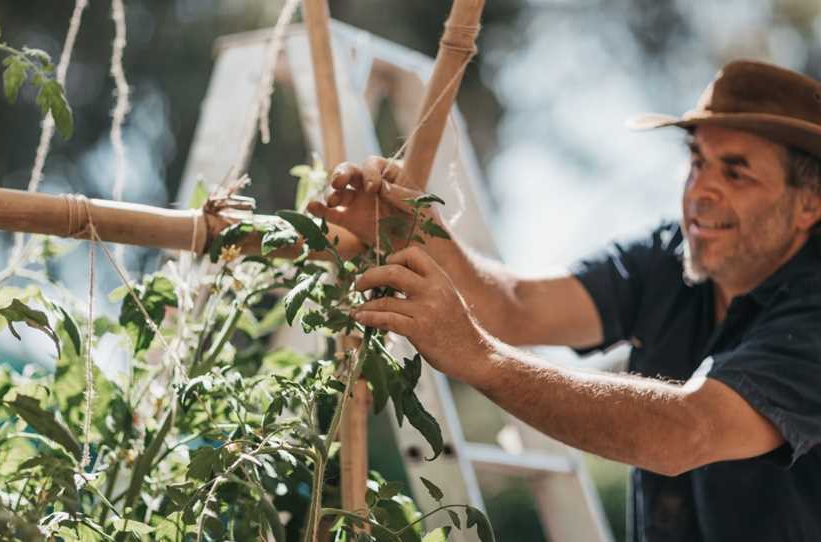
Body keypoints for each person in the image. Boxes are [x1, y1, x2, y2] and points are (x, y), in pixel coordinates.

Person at [308, 59, 821, 541]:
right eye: (697, 161)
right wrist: (411, 229)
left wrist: (480, 357)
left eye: (735, 173)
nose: (700, 191)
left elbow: (686, 432)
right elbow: (516, 307)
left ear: (809, 204)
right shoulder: (669, 258)